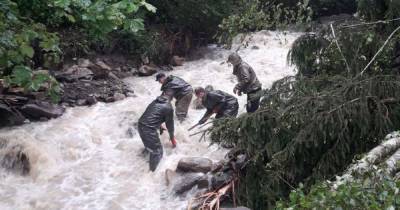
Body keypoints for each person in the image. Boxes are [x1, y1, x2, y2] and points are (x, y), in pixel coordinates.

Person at [138, 95, 177, 172]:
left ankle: (140, 162)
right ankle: (152, 173)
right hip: (148, 129)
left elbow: (151, 115)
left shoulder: (155, 102)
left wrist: (159, 126)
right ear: (171, 99)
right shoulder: (168, 108)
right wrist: (172, 139)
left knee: (149, 147)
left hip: (140, 125)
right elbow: (170, 126)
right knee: (157, 151)